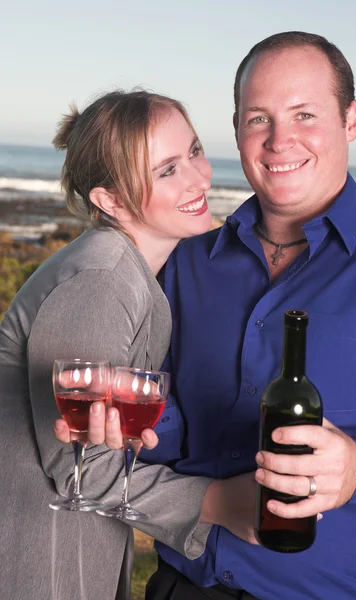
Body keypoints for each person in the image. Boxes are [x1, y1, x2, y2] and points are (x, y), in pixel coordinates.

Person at [137, 31, 356, 600]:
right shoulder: (184, 261)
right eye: (258, 119)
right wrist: (135, 427)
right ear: (236, 130)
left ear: (351, 119)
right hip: (183, 584)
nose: (280, 141)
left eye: (304, 114)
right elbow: (165, 413)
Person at [0, 89, 213, 600]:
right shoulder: (101, 278)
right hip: (37, 552)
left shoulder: (127, 269)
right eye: (167, 171)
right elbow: (79, 469)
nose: (199, 178)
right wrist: (217, 502)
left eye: (195, 152)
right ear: (110, 201)